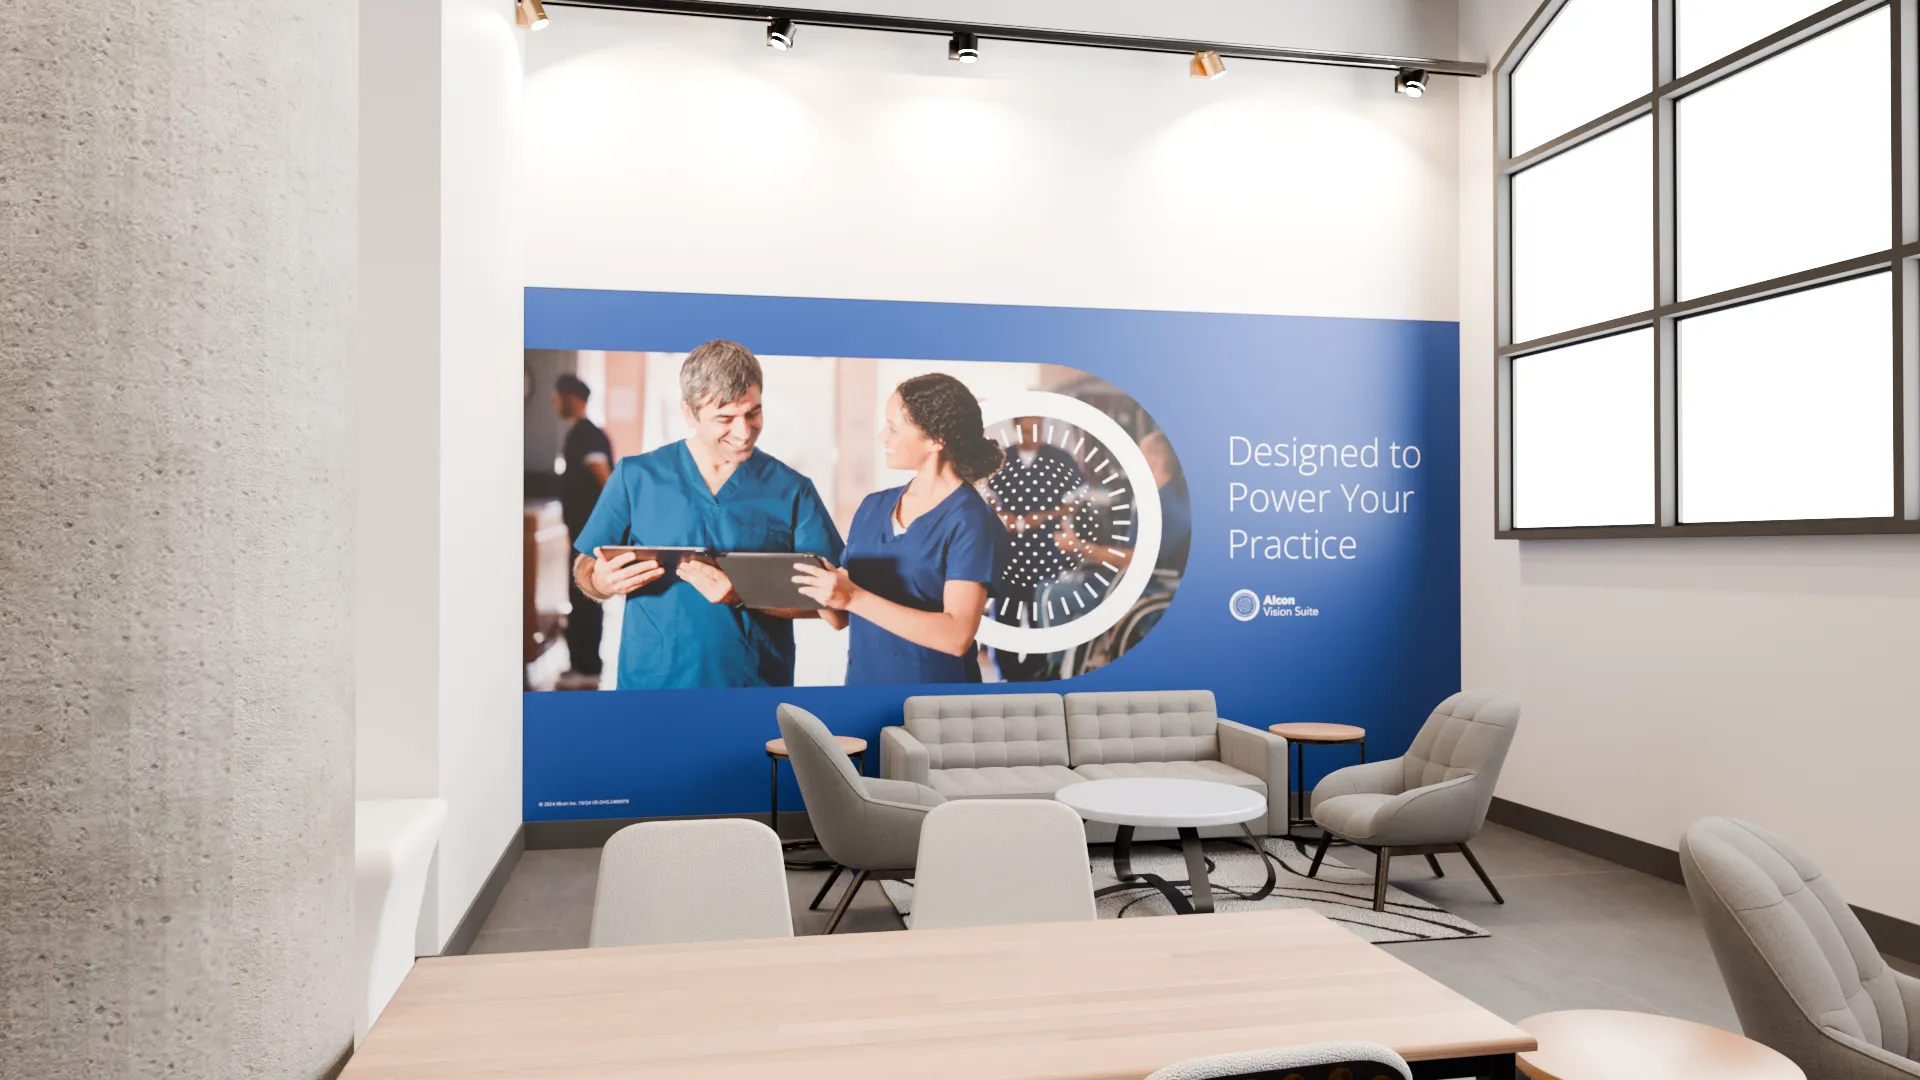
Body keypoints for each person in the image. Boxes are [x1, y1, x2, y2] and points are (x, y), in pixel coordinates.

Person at [571, 340, 843, 689]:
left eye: (753, 413)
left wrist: (742, 593)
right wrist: (601, 581)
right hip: (651, 686)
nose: (743, 432)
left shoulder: (792, 489)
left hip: (752, 686)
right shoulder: (635, 476)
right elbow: (584, 567)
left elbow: (836, 607)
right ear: (689, 412)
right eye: (725, 418)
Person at [792, 374, 1010, 685]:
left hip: (935, 706)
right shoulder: (872, 508)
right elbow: (841, 618)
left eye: (893, 428)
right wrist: (818, 588)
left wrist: (853, 597)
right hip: (862, 688)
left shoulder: (971, 520)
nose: (882, 436)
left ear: (936, 440)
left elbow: (957, 636)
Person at [986, 415, 1086, 681]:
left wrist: (1043, 517)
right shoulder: (1001, 459)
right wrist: (1002, 515)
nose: (1033, 434)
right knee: (1005, 612)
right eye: (1027, 429)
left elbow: (1077, 501)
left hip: (1045, 551)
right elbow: (989, 497)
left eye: (1037, 428)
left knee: (1042, 612)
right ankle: (1008, 674)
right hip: (1008, 552)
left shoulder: (1060, 459)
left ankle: (1039, 670)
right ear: (1015, 429)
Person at [553, 373, 612, 690]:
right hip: (581, 530)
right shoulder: (580, 433)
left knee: (586, 594)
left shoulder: (587, 434)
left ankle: (588, 667)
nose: (554, 403)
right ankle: (581, 663)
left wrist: (606, 526)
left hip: (590, 533)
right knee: (578, 594)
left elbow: (604, 480)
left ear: (571, 397)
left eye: (557, 396)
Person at [1139, 429, 1191, 571]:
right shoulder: (1180, 496)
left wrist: (1084, 548)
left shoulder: (1160, 506)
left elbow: (1137, 559)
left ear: (1154, 460)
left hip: (1153, 584)